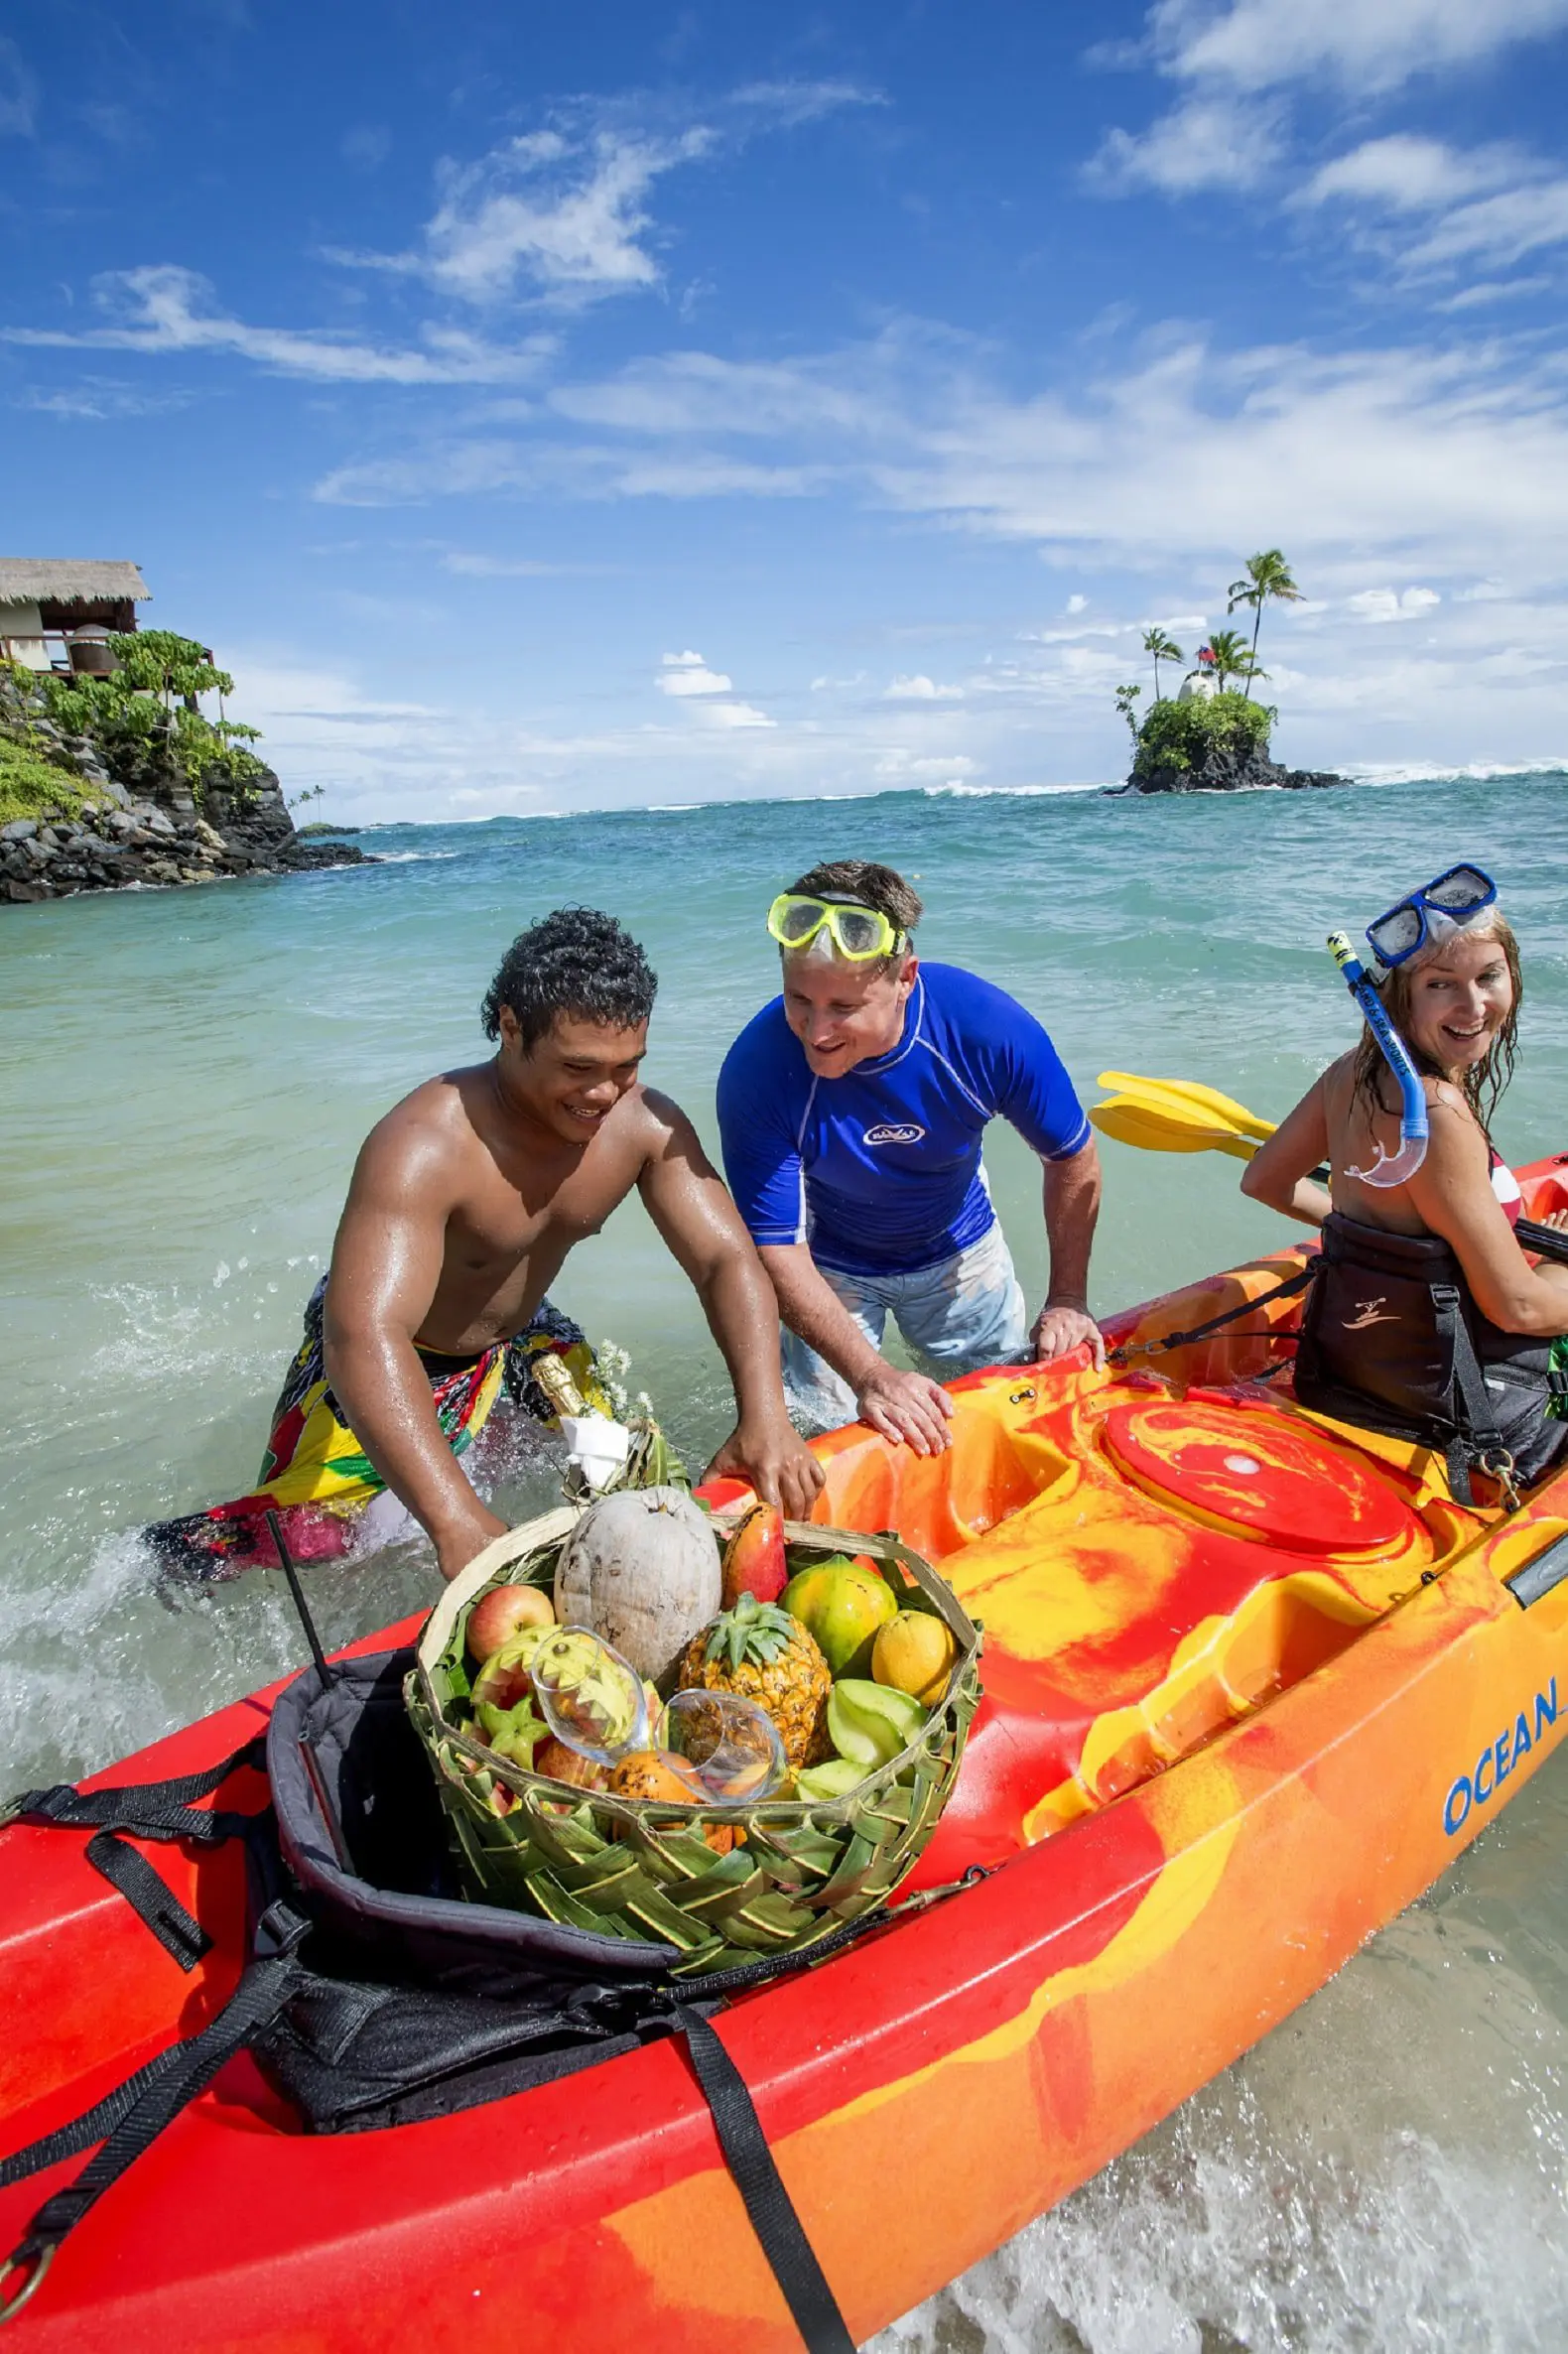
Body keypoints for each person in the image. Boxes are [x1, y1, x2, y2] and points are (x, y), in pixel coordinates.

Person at [272, 908, 822, 1581]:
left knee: (630, 1496)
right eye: (578, 1068)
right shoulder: (425, 1144)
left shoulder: (642, 1125)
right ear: (509, 1028)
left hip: (526, 1335)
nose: (603, 1094)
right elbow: (365, 1333)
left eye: (626, 1067)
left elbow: (725, 1260)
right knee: (305, 1551)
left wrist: (765, 1417)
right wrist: (454, 1516)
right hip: (393, 1353)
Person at [717, 859, 1104, 1454]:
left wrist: (1068, 1299)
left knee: (1003, 1415)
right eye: (799, 999)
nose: (816, 1032)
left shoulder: (985, 1030)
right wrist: (871, 1375)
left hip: (959, 1248)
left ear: (906, 979)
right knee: (828, 1438)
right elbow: (776, 1247)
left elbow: (1071, 1159)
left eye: (843, 1008)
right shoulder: (757, 1071)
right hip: (830, 1265)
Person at [1241, 863, 1568, 1493]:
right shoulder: (1438, 1113)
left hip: (1347, 1369)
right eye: (1442, 984)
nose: (1473, 1006)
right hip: (1459, 1404)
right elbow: (1518, 1306)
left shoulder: (1349, 1073)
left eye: (1488, 977)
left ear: (1513, 975)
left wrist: (1394, 1245)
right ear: (1401, 996)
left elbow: (1266, 1181)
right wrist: (1553, 1272)